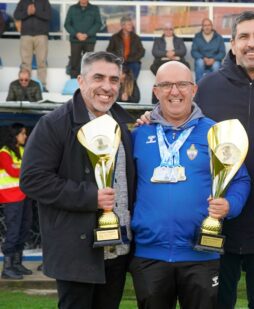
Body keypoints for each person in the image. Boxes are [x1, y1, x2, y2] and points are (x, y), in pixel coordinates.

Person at [129, 61, 250, 309]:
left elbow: (240, 180)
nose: (175, 91)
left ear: (193, 89)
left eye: (182, 84)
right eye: (166, 85)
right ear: (156, 91)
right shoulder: (138, 134)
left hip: (202, 253)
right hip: (149, 254)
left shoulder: (215, 133)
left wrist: (229, 205)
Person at [20, 51, 136, 309]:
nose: (107, 87)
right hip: (78, 252)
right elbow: (32, 179)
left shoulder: (122, 125)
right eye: (99, 77)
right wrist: (90, 197)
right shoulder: (54, 124)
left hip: (117, 250)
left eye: (114, 80)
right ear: (80, 80)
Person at [194, 11, 254, 309]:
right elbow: (179, 122)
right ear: (232, 44)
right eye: (243, 37)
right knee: (218, 303)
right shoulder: (207, 87)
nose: (251, 44)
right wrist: (148, 117)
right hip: (219, 222)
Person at [1, 123, 33, 280]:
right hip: (11, 197)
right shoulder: (4, 152)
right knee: (13, 231)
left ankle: (17, 263)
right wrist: (28, 170)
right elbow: (13, 171)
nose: (25, 136)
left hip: (24, 196)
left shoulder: (22, 150)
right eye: (23, 133)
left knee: (24, 229)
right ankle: (7, 268)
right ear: (15, 135)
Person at [14, 0, 51, 92]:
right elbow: (16, 15)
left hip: (41, 35)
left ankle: (42, 86)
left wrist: (36, 12)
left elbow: (49, 16)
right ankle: (25, 86)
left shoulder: (44, 1)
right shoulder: (23, 2)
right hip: (26, 35)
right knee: (25, 63)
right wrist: (27, 12)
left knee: (41, 62)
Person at [64, 0, 102, 78]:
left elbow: (98, 23)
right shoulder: (72, 8)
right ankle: (74, 82)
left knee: (89, 63)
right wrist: (76, 34)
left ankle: (88, 83)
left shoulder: (94, 9)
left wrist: (87, 34)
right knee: (74, 62)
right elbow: (67, 24)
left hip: (90, 40)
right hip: (75, 40)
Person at [107, 16, 145, 80]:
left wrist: (132, 59)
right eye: (129, 24)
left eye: (131, 24)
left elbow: (142, 51)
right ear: (123, 26)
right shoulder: (115, 37)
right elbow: (109, 51)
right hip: (119, 62)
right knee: (117, 78)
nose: (131, 26)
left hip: (132, 62)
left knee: (135, 66)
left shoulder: (136, 37)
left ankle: (132, 85)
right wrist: (119, 58)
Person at [191, 18, 225, 82]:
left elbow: (222, 52)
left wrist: (214, 59)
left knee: (216, 66)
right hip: (202, 59)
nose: (207, 27)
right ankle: (199, 86)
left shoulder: (218, 37)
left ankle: (215, 86)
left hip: (215, 60)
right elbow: (194, 51)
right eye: (205, 25)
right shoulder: (197, 37)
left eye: (209, 25)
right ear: (202, 27)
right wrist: (203, 58)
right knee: (199, 63)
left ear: (212, 26)